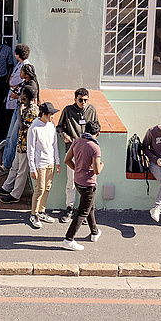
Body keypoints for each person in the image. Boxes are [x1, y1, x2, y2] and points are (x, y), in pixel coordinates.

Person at [54, 87, 99, 223]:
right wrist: (65, 136)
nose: (83, 103)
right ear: (75, 99)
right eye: (80, 100)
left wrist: (94, 139)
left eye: (85, 100)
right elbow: (59, 127)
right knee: (71, 181)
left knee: (88, 182)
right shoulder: (68, 110)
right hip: (73, 149)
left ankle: (84, 211)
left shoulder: (92, 110)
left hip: (88, 152)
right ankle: (70, 207)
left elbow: (97, 126)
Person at [59, 120, 103, 251]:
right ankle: (68, 239)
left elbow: (67, 160)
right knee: (83, 211)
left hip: (78, 181)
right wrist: (102, 165)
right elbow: (97, 171)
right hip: (89, 184)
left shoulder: (77, 141)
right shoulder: (95, 147)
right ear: (98, 133)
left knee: (89, 206)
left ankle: (94, 232)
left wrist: (77, 169)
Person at [0, 84, 39, 203]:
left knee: (21, 172)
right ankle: (6, 188)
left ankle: (15, 195)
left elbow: (23, 127)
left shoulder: (32, 111)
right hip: (20, 144)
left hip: (26, 147)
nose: (21, 99)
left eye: (23, 97)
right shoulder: (27, 108)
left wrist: (20, 111)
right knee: (14, 167)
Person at [0, 62, 38, 177]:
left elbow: (31, 101)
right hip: (18, 110)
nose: (20, 73)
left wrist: (17, 97)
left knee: (12, 138)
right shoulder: (26, 83)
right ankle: (6, 162)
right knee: (10, 137)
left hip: (22, 113)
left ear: (27, 74)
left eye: (21, 72)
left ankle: (7, 165)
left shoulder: (32, 86)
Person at [0, 43, 30, 159]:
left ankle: (8, 150)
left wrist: (11, 80)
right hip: (12, 97)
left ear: (16, 54)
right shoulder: (20, 64)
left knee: (11, 126)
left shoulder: (25, 66)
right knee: (7, 121)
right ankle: (5, 142)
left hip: (17, 100)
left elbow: (12, 82)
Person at [27, 102, 61, 228]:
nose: (53, 116)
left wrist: (57, 161)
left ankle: (41, 211)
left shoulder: (51, 125)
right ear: (44, 114)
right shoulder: (34, 128)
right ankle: (33, 214)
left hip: (50, 162)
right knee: (39, 189)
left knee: (47, 188)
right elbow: (30, 150)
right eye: (51, 114)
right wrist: (32, 168)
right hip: (39, 164)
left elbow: (54, 144)